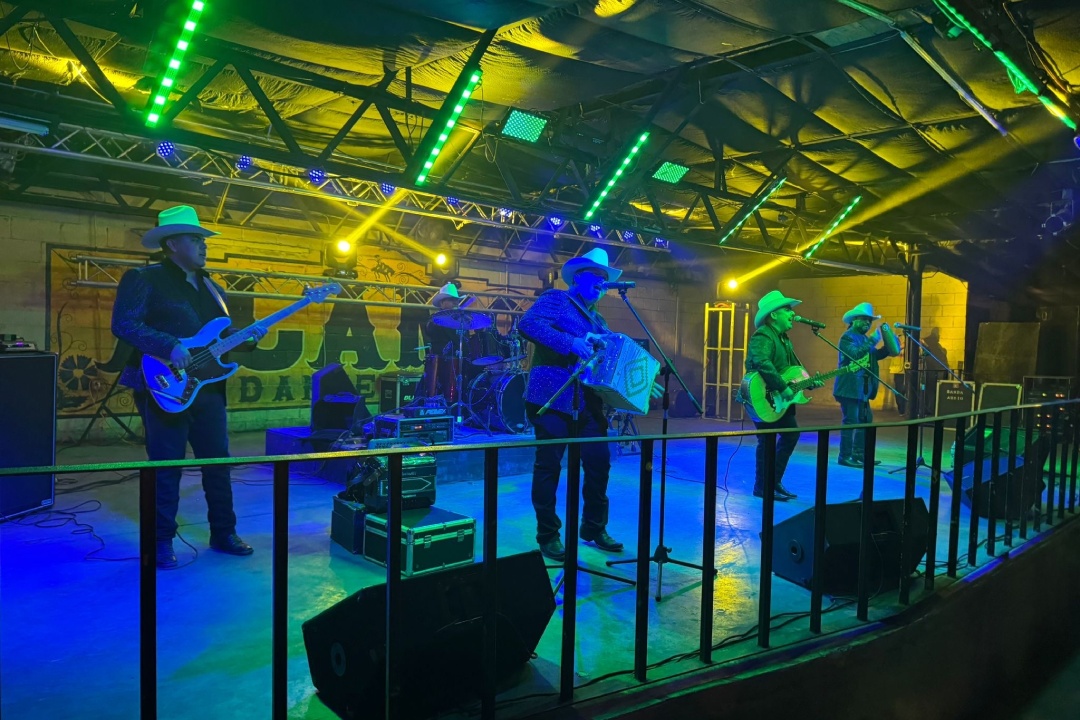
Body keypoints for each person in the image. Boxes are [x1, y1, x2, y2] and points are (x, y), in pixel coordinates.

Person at [112, 205, 265, 568]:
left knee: (218, 464)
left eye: (203, 239)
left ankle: (223, 532)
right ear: (172, 244)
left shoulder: (213, 287)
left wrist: (247, 338)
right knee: (166, 466)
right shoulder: (143, 279)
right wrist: (169, 345)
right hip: (164, 386)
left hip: (208, 388)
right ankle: (161, 540)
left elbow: (217, 338)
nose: (203, 245)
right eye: (195, 239)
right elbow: (124, 324)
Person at [518, 248, 660, 561]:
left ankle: (594, 528)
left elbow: (613, 359)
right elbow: (528, 324)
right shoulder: (557, 300)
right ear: (579, 277)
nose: (602, 284)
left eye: (605, 279)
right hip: (552, 401)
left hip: (587, 405)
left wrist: (642, 382)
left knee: (599, 464)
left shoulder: (599, 319)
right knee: (549, 469)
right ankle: (548, 535)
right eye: (597, 277)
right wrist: (571, 343)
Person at [745, 290, 822, 501]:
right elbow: (761, 362)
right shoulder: (763, 334)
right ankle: (762, 486)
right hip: (766, 397)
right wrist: (781, 387)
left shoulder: (784, 338)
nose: (792, 313)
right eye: (787, 309)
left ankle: (773, 481)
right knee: (767, 441)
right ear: (773, 315)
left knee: (789, 435)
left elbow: (792, 369)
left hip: (780, 399)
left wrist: (809, 382)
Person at [833, 302, 901, 467]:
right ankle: (845, 456)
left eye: (869, 321)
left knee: (865, 421)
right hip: (849, 388)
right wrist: (872, 340)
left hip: (862, 388)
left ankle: (859, 454)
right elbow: (855, 354)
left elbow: (873, 357)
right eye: (864, 320)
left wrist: (888, 347)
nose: (867, 323)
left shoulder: (863, 338)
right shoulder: (847, 337)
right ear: (854, 320)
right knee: (851, 421)